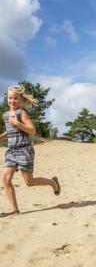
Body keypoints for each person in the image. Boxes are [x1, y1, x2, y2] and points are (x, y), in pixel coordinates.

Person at [0, 85, 61, 217]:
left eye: (15, 98)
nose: (12, 101)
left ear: (20, 100)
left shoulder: (22, 113)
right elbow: (10, 132)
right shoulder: (5, 115)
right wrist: (1, 137)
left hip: (24, 151)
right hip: (12, 151)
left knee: (29, 182)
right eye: (10, 98)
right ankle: (14, 210)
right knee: (5, 179)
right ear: (7, 99)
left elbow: (32, 130)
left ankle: (53, 183)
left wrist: (18, 123)